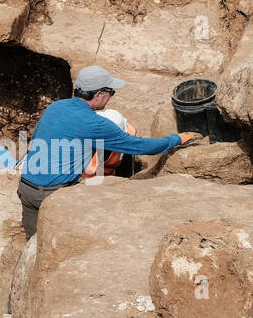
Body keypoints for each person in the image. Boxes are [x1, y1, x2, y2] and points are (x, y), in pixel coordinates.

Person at [16, 66, 199, 238]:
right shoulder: (95, 124)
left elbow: (37, 139)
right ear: (99, 94)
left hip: (26, 188)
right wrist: (177, 138)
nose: (111, 96)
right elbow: (142, 146)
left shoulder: (56, 107)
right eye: (111, 92)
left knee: (33, 242)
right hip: (52, 195)